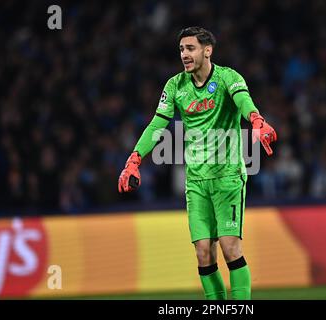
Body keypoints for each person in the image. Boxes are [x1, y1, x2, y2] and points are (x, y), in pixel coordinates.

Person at [118, 27, 277, 300]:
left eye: (190, 48)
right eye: (181, 50)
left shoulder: (228, 77)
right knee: (203, 253)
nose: (184, 55)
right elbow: (158, 124)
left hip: (227, 176)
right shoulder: (175, 86)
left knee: (230, 248)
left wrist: (256, 120)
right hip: (196, 181)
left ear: (207, 50)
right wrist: (135, 159)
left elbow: (243, 101)